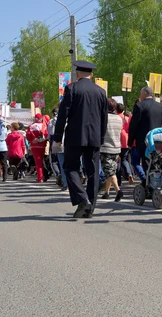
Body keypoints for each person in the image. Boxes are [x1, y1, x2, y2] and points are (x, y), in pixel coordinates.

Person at [54, 60, 108, 218]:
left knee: (70, 168)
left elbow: (63, 114)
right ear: (91, 74)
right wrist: (102, 136)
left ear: (77, 74)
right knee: (93, 172)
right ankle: (89, 207)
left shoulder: (72, 88)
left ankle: (83, 199)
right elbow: (104, 117)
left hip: (75, 136)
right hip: (95, 137)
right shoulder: (101, 92)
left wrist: (58, 136)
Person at [128, 87, 162, 177]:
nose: (140, 96)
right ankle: (156, 181)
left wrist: (130, 142)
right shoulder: (161, 106)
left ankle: (149, 182)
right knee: (156, 160)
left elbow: (134, 126)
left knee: (146, 162)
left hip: (143, 140)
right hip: (157, 139)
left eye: (140, 93)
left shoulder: (139, 106)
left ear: (145, 93)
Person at [100, 98, 124, 202]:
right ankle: (107, 192)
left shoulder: (104, 118)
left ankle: (118, 190)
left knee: (109, 171)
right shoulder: (119, 118)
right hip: (116, 147)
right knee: (110, 169)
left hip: (106, 147)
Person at [27, 113, 48, 183]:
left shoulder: (31, 126)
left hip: (34, 145)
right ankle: (43, 175)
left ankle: (40, 177)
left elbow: (28, 136)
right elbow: (46, 135)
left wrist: (31, 141)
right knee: (41, 160)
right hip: (42, 145)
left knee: (37, 162)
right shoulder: (44, 126)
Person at [116, 104, 134, 185]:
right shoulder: (126, 118)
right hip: (126, 139)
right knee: (124, 159)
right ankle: (129, 173)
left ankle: (118, 180)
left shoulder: (116, 117)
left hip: (118, 139)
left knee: (118, 160)